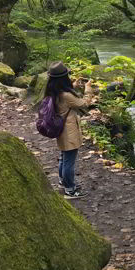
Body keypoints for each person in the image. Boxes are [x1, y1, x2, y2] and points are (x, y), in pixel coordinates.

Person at [44, 62, 94, 199]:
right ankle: (70, 190)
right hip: (69, 131)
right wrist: (88, 89)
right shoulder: (66, 95)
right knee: (69, 161)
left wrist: (74, 86)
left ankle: (63, 181)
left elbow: (66, 96)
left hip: (61, 130)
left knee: (63, 157)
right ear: (64, 78)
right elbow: (84, 104)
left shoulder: (53, 90)